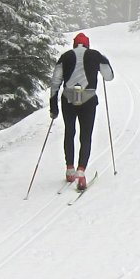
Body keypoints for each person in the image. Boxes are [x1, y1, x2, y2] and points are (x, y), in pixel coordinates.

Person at [48, 32, 114, 190]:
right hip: (88, 99)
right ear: (87, 44)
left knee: (69, 132)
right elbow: (109, 76)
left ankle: (69, 169)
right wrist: (102, 62)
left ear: (74, 44)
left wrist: (53, 106)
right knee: (86, 135)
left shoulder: (65, 56)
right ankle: (81, 172)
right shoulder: (95, 55)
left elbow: (55, 81)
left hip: (68, 98)